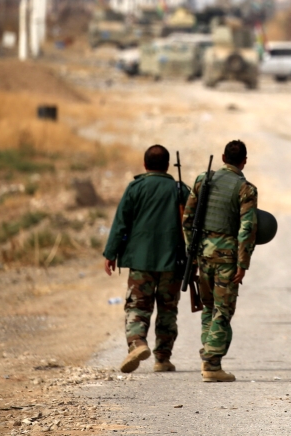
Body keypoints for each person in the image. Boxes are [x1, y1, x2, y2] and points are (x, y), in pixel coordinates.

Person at [102, 145, 190, 374]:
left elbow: (121, 222)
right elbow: (193, 226)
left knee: (138, 306)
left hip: (140, 261)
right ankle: (163, 359)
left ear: (145, 164)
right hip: (172, 261)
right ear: (168, 165)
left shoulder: (135, 188)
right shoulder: (180, 190)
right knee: (167, 310)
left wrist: (111, 253)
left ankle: (137, 343)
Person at [182, 140, 258, 383]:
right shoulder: (246, 189)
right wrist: (242, 264)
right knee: (222, 310)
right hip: (227, 258)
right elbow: (247, 229)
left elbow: (187, 219)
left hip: (203, 253)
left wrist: (191, 253)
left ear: (224, 157)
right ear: (244, 161)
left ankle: (209, 354)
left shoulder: (203, 180)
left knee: (208, 307)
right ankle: (212, 364)